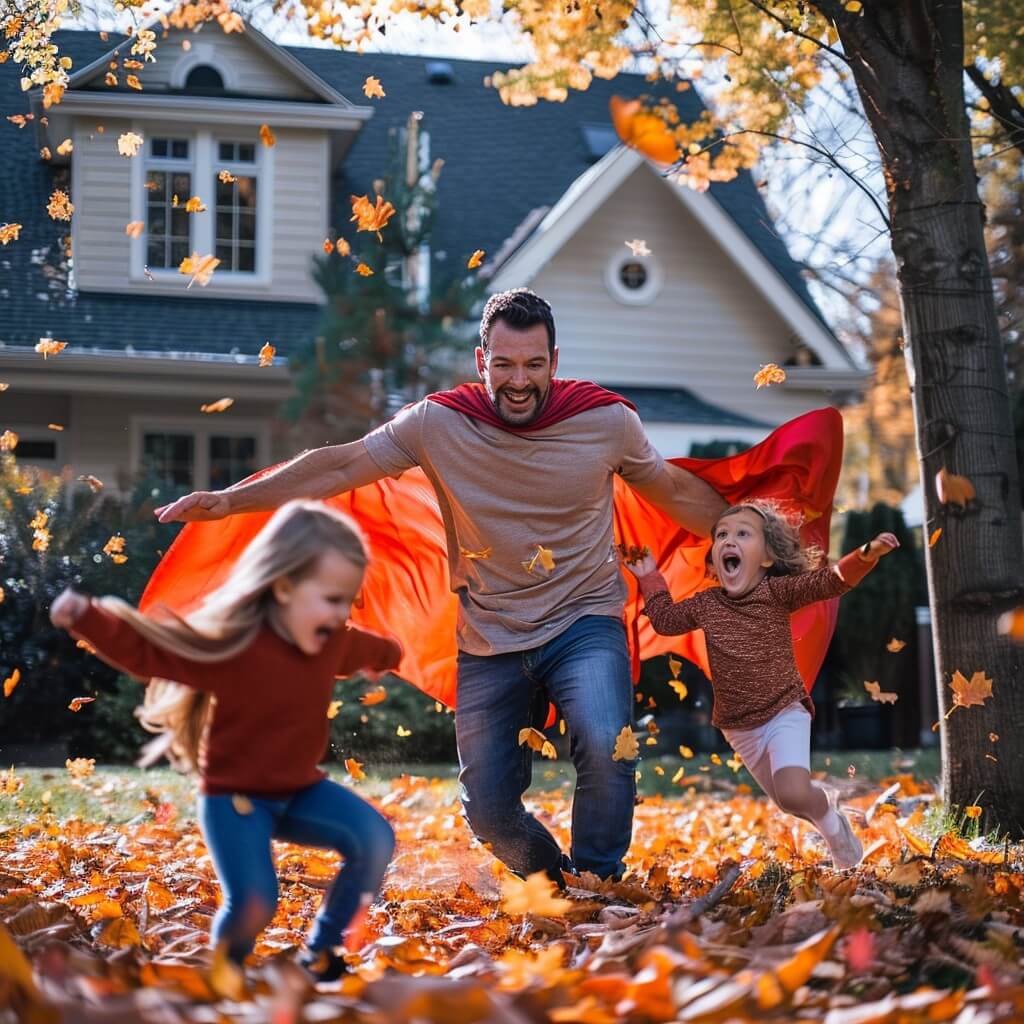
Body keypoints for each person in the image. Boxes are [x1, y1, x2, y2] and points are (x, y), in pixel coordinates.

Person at [153, 288, 726, 884]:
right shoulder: (439, 423)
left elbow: (676, 491)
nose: (519, 381)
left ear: (555, 363)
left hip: (584, 618)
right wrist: (230, 501)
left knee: (608, 746)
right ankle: (556, 883)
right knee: (488, 812)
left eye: (533, 365)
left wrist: (752, 537)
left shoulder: (605, 422)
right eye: (504, 365)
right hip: (490, 633)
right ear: (482, 364)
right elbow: (342, 464)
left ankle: (599, 881)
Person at [49, 501, 402, 980]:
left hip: (300, 793)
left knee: (375, 839)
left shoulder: (331, 640)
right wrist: (87, 618)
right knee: (257, 900)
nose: (342, 614)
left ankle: (322, 953)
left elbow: (366, 646)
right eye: (333, 599)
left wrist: (389, 651)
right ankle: (227, 970)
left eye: (348, 601)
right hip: (235, 800)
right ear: (283, 587)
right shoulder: (232, 647)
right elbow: (148, 652)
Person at [622, 500, 899, 868]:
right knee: (787, 802)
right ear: (715, 557)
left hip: (785, 710)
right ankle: (826, 806)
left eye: (742, 534)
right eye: (722, 535)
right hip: (739, 727)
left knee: (794, 792)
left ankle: (834, 829)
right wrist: (649, 577)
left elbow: (830, 581)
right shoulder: (707, 604)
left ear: (767, 557)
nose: (729, 541)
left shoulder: (777, 592)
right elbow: (666, 621)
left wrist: (867, 554)